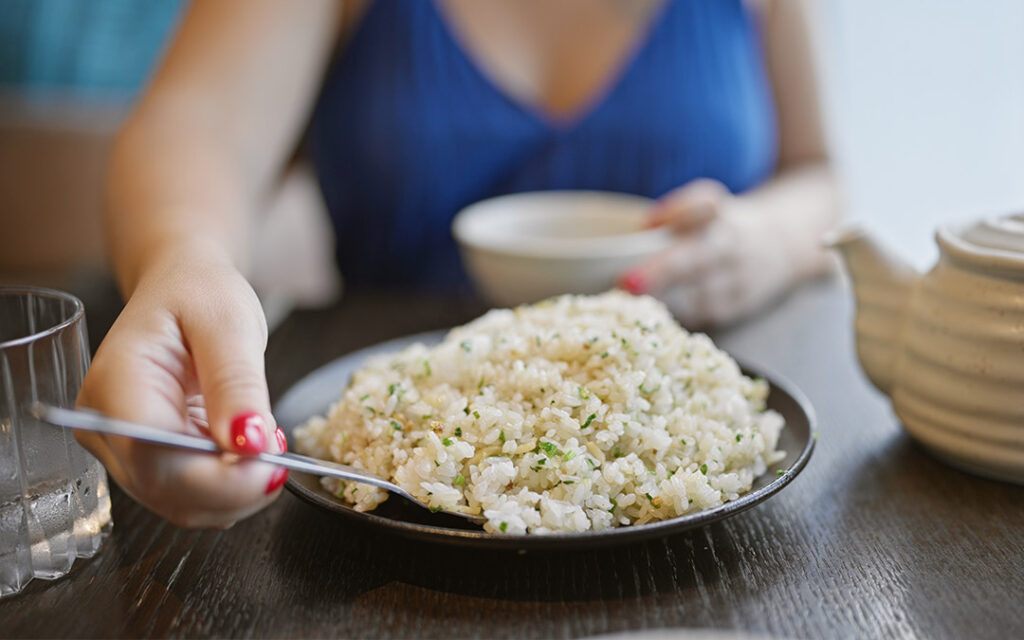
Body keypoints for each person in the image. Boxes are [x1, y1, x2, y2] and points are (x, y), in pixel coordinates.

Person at [77, 0, 839, 528]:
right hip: (397, 456)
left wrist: (765, 236)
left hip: (704, 451)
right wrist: (186, 259)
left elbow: (820, 176)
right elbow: (195, 127)